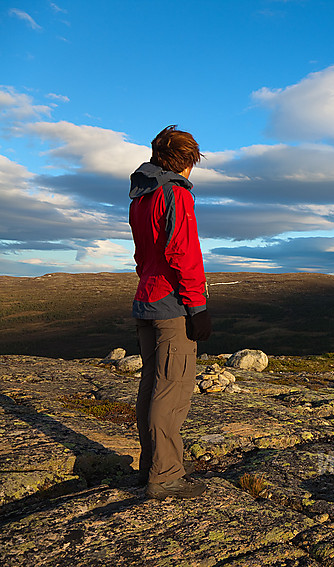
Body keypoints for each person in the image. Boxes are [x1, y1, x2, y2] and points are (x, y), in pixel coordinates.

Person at [129, 125, 211, 500]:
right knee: (172, 391)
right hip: (170, 305)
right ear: (187, 160)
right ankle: (165, 477)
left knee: (151, 386)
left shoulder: (141, 197)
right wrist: (197, 307)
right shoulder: (175, 194)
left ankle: (154, 463)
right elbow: (184, 254)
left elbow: (142, 254)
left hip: (145, 300)